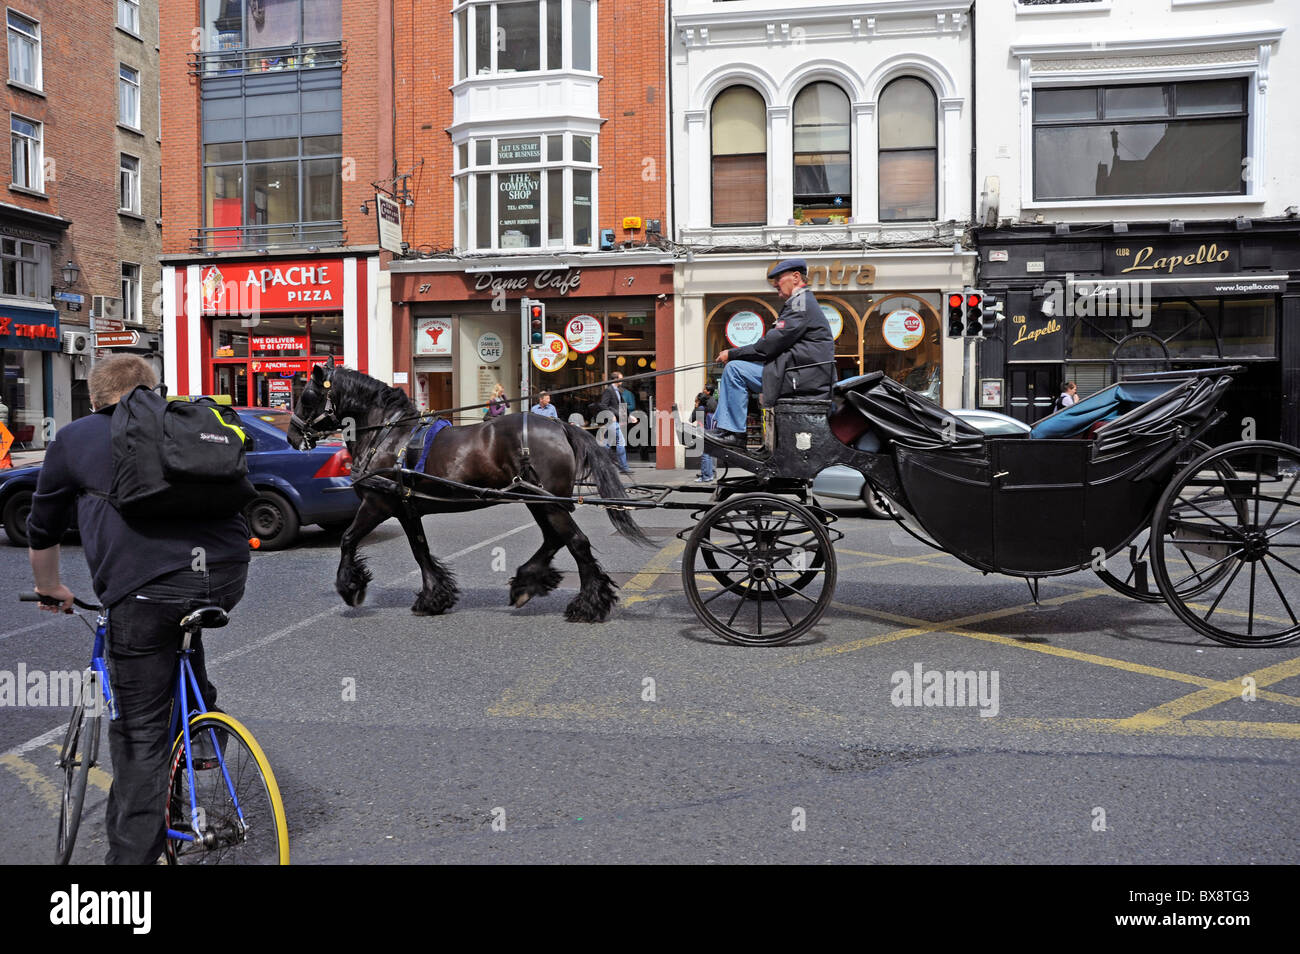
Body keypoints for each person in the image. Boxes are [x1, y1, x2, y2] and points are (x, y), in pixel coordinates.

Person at [26, 355, 251, 865]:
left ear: (95, 396)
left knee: (140, 734)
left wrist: (50, 587)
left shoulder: (77, 436)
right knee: (181, 631)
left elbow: (42, 526)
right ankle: (201, 725)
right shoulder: (190, 425)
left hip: (145, 591)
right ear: (154, 389)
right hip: (227, 574)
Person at [709, 258, 836, 448]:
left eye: (778, 278)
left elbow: (769, 346)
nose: (775, 284)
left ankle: (734, 433)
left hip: (800, 377)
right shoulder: (801, 302)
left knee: (735, 369)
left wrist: (732, 353)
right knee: (737, 368)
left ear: (795, 277)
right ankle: (727, 429)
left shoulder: (800, 303)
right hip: (802, 374)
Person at [597, 371, 632, 475]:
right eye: (621, 378)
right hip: (611, 421)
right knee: (620, 442)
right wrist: (611, 415)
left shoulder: (618, 390)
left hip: (615, 420)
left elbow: (621, 406)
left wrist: (629, 416)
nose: (622, 380)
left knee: (607, 444)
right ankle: (623, 467)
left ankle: (601, 464)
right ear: (616, 379)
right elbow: (603, 405)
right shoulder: (609, 390)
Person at [693, 387, 717, 482]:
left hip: (704, 433)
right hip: (711, 432)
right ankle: (710, 473)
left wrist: (695, 407)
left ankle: (706, 476)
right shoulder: (711, 405)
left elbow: (692, 419)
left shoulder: (700, 409)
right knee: (709, 455)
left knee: (705, 455)